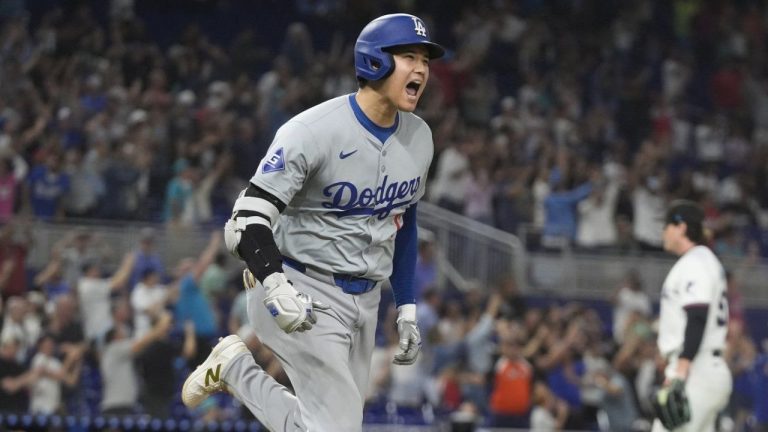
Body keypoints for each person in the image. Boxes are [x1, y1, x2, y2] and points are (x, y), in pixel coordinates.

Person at [181, 13, 444, 431]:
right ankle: (236, 368)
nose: (422, 69)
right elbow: (248, 215)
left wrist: (407, 306)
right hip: (301, 285)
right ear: (375, 61)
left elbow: (404, 222)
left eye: (426, 60)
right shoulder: (312, 130)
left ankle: (233, 366)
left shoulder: (420, 137)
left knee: (323, 426)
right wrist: (274, 282)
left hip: (367, 299)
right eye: (409, 56)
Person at [652, 200, 732, 431]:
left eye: (666, 226)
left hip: (697, 370)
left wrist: (682, 369)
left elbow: (697, 315)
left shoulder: (695, 262)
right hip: (705, 368)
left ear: (681, 227)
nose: (663, 232)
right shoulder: (702, 261)